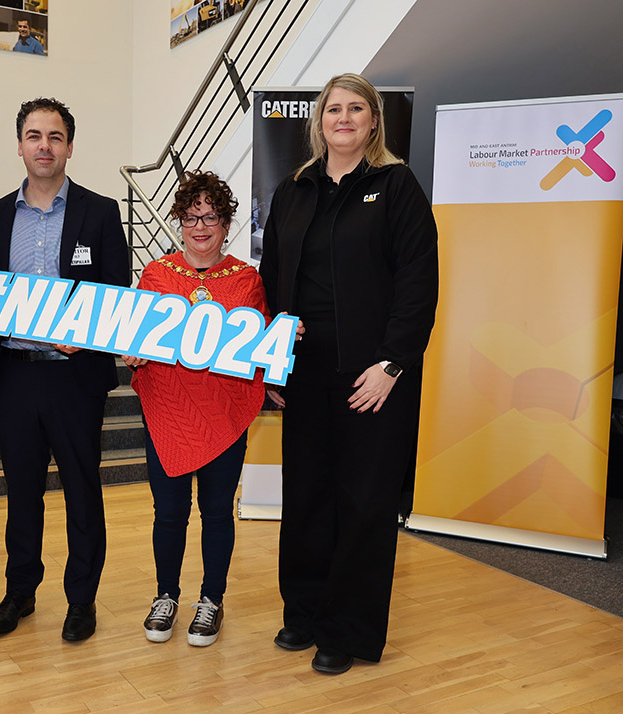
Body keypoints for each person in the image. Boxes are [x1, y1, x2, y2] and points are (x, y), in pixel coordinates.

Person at [259, 73, 438, 675]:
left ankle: (348, 630)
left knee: (362, 502)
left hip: (373, 376)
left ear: (372, 121)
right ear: (320, 121)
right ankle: (304, 613)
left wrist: (392, 365)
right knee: (306, 496)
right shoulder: (293, 189)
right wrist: (275, 354)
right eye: (333, 108)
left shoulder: (396, 185)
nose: (343, 117)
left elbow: (418, 283)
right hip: (305, 371)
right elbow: (274, 279)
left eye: (355, 108)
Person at [0, 97, 129, 642]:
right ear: (20, 145)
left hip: (76, 379)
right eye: (35, 136)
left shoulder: (101, 210)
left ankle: (81, 599)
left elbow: (116, 293)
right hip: (16, 373)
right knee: (21, 491)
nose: (45, 146)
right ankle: (20, 592)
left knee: (83, 490)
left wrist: (84, 337)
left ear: (69, 145)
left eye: (55, 136)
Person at [123, 171, 275, 647]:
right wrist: (132, 351)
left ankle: (211, 599)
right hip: (167, 411)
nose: (201, 226)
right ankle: (166, 595)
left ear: (226, 223)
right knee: (168, 513)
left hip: (223, 416)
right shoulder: (156, 274)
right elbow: (137, 334)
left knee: (216, 512)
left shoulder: (247, 279)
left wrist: (281, 345)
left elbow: (258, 342)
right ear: (179, 223)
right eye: (191, 217)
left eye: (210, 216)